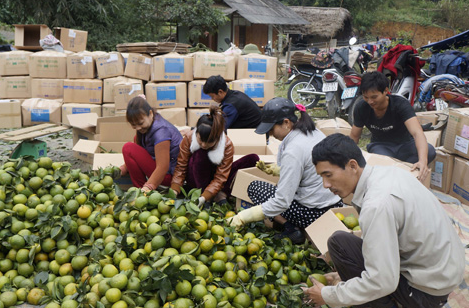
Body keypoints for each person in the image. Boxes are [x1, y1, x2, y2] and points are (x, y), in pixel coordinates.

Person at [303, 133, 464, 308]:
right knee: (339, 241)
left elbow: (382, 281)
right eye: (321, 177)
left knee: (342, 248)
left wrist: (328, 296)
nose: (325, 184)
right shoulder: (388, 174)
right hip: (441, 273)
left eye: (328, 175)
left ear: (352, 166)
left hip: (427, 293)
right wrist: (345, 277)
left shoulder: (377, 204)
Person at [228, 98, 343, 244]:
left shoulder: (293, 150)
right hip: (334, 205)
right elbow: (308, 169)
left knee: (256, 188)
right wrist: (280, 171)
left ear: (286, 123)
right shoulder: (313, 132)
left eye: (271, 128)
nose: (270, 133)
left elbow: (282, 202)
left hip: (311, 213)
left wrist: (243, 217)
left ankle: (291, 228)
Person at [350, 71, 435, 181]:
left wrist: (422, 162)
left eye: (374, 97)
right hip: (380, 146)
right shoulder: (361, 107)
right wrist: (349, 158)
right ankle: (398, 168)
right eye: (366, 97)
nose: (370, 101)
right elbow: (354, 136)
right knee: (382, 164)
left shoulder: (400, 104)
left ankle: (402, 169)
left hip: (405, 145)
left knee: (430, 151)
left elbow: (417, 133)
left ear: (386, 91)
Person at [171, 106, 259, 207]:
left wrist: (205, 197)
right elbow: (181, 167)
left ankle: (219, 194)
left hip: (216, 178)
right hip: (196, 177)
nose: (204, 144)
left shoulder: (227, 144)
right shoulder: (189, 138)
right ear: (196, 133)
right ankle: (203, 193)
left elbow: (221, 176)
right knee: (201, 153)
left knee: (253, 159)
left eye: (209, 142)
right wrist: (174, 190)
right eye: (200, 140)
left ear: (217, 138)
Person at [121, 96, 183, 192]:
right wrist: (123, 168)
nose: (137, 128)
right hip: (164, 172)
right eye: (133, 125)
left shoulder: (161, 132)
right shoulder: (148, 125)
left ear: (150, 113)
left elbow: (163, 167)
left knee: (128, 148)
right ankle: (141, 189)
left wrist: (149, 187)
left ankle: (141, 191)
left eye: (140, 123)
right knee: (135, 142)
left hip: (169, 177)